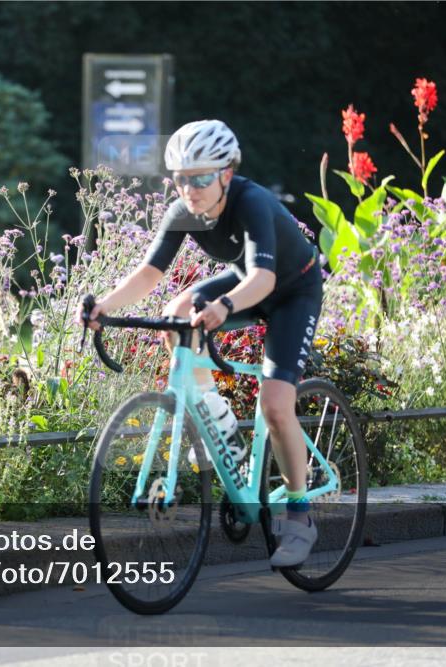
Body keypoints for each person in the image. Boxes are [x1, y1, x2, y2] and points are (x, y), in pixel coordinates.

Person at [76, 119, 323, 568]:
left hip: (291, 291)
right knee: (177, 315)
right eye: (181, 180)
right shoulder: (184, 210)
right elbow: (150, 273)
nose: (190, 190)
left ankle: (299, 514)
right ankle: (217, 420)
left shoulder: (251, 202)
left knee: (274, 405)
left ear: (227, 173)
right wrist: (104, 307)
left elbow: (264, 278)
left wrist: (225, 305)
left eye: (201, 179)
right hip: (246, 283)